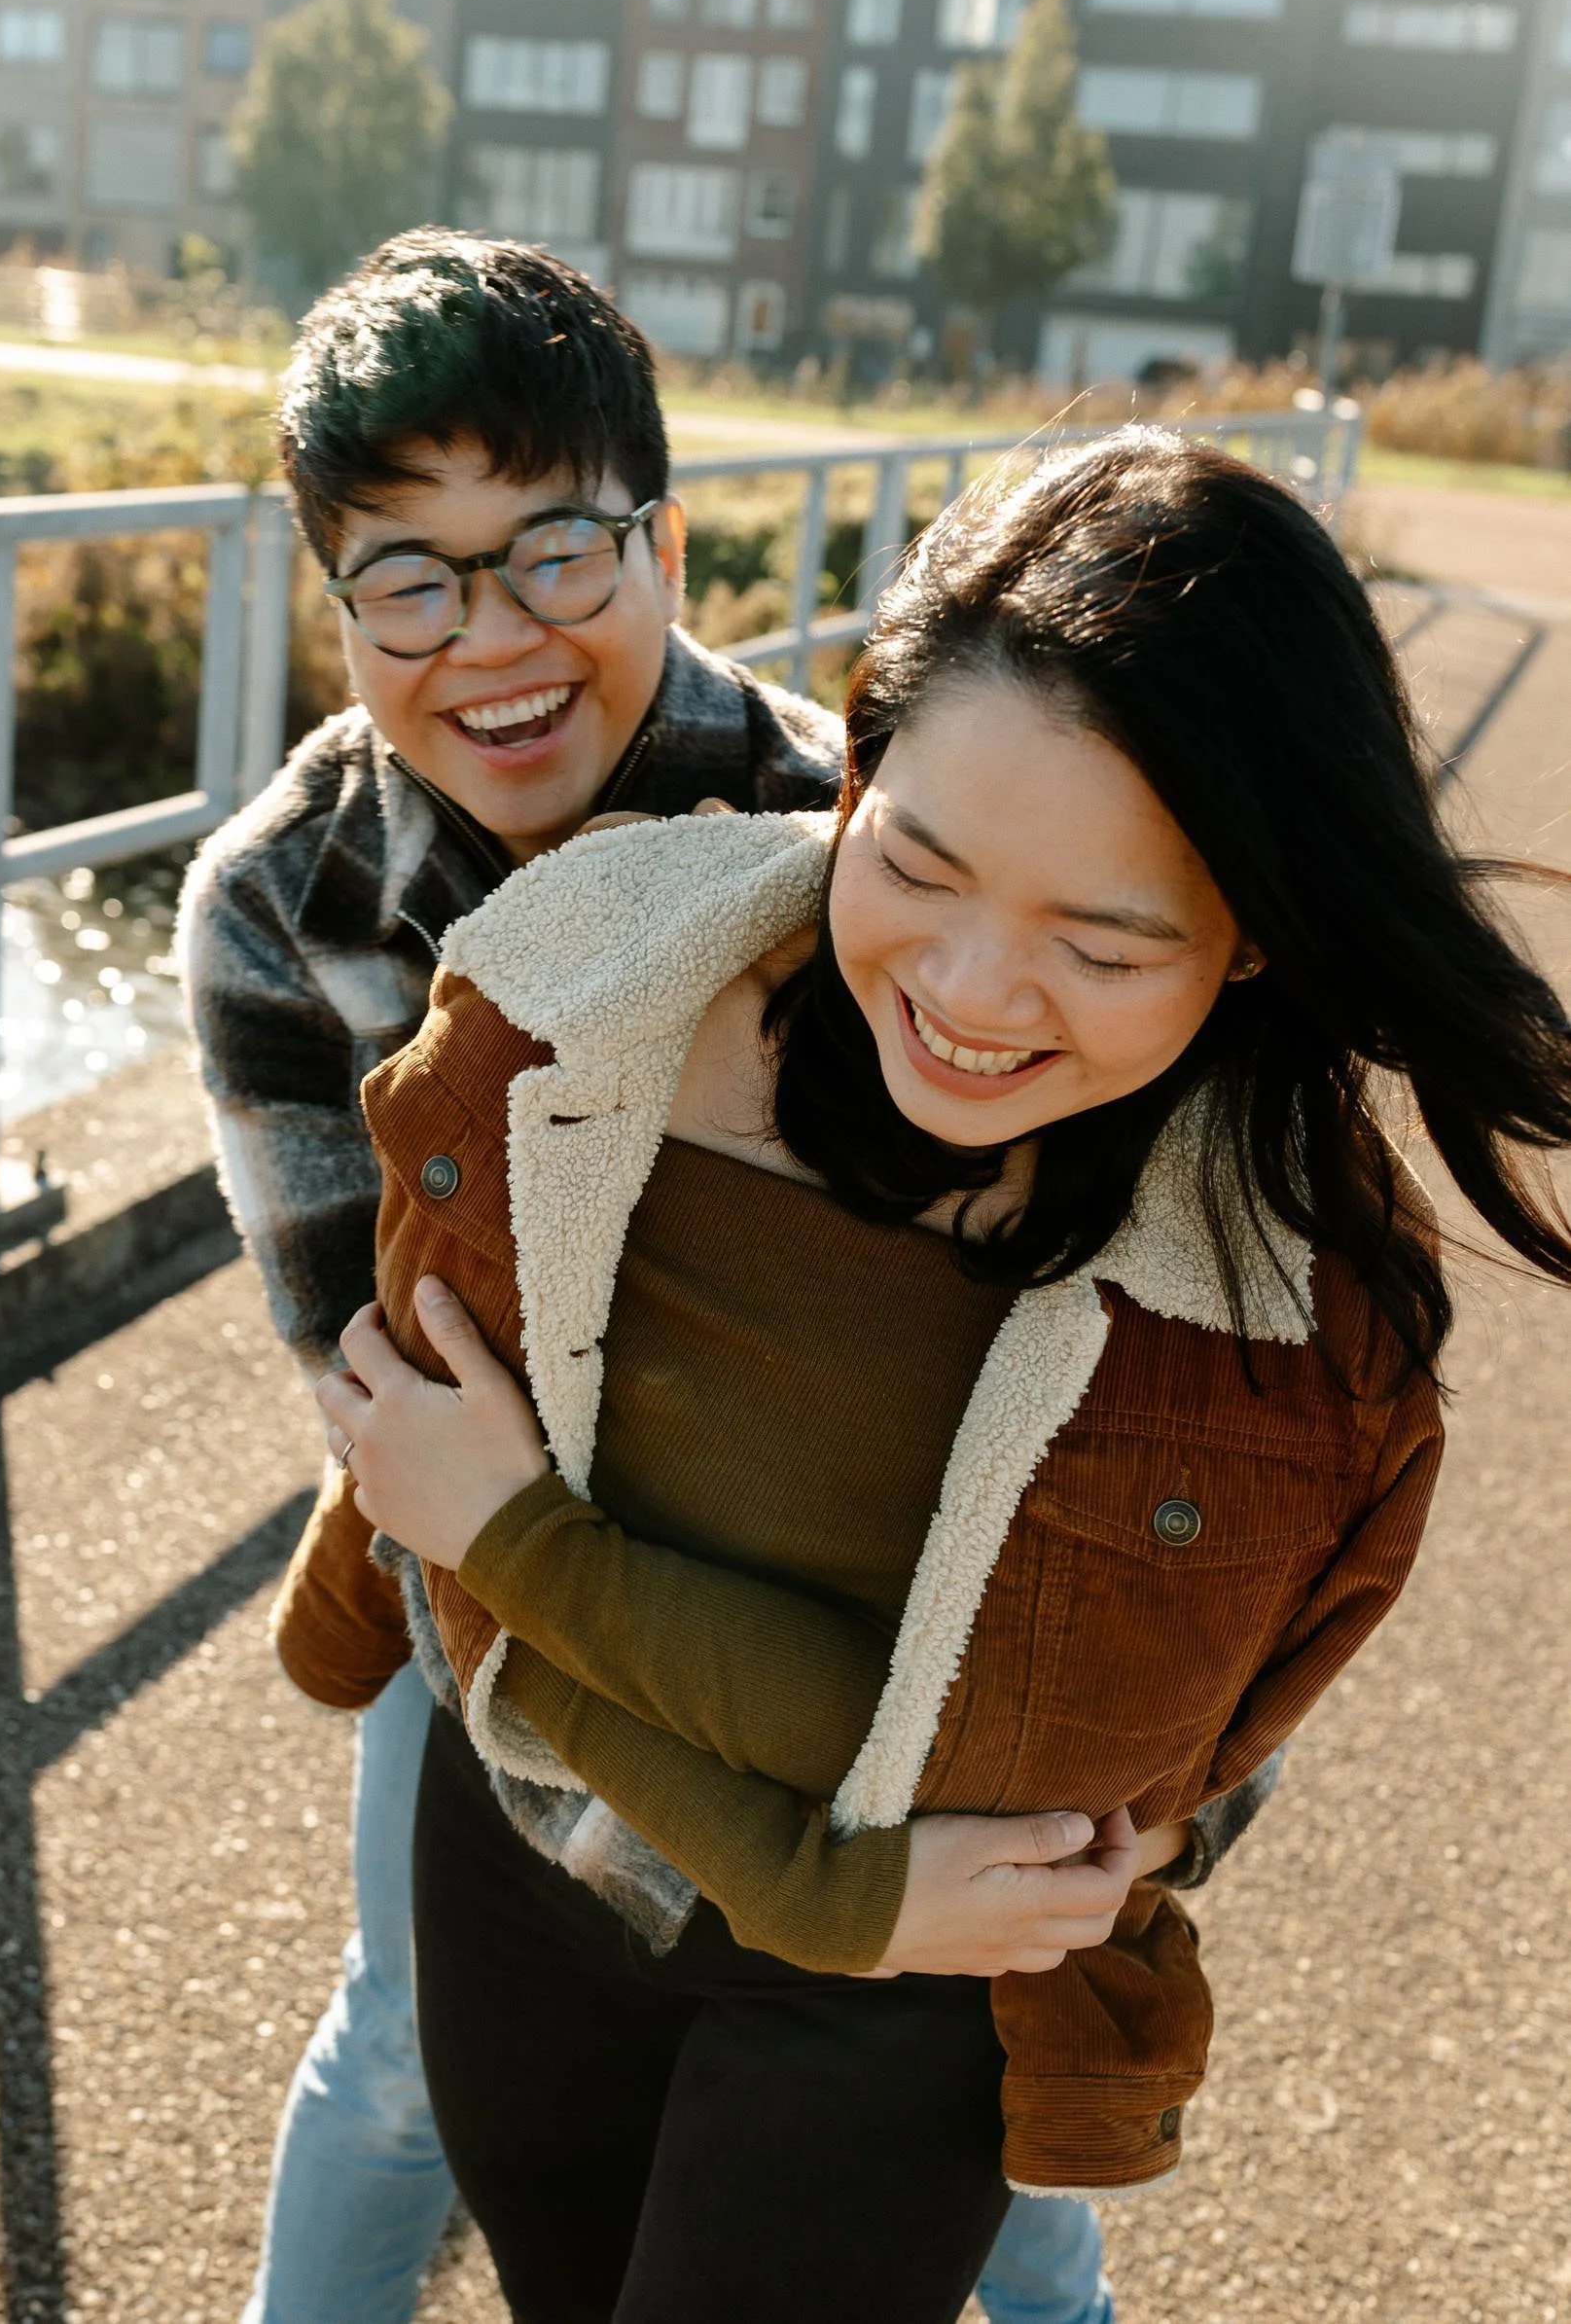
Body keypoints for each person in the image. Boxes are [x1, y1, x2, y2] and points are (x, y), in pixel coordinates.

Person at [288, 429, 1571, 2320]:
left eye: (1102, 937)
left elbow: (971, 1773)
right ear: (857, 760)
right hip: (531, 1853)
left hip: (899, 1997)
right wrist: (459, 1548)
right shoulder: (582, 995)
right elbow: (428, 1464)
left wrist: (511, 1539)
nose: (972, 991)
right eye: (919, 859)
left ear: (1243, 950)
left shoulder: (1284, 1346)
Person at [181, 231, 1223, 2324]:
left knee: (980, 2078)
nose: (492, 636)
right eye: (408, 574)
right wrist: (810, 1888)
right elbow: (399, 1409)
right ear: (335, 600)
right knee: (401, 2046)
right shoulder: (279, 917)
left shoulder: (854, 822)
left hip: (852, 1589)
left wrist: (917, 1863)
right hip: (489, 1565)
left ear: (664, 537)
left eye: (556, 549)